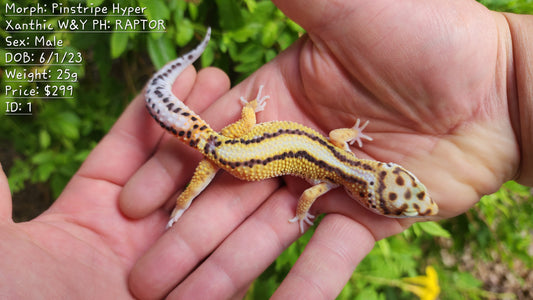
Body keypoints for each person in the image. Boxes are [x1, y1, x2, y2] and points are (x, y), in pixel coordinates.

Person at [0, 0, 531, 298]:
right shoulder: (328, 180)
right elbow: (305, 199)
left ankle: (188, 192)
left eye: (405, 196)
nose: (420, 203)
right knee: (194, 182)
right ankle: (183, 203)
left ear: (380, 178)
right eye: (408, 195)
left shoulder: (340, 158)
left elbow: (338, 146)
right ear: (374, 186)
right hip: (224, 156)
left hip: (237, 145)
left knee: (214, 156)